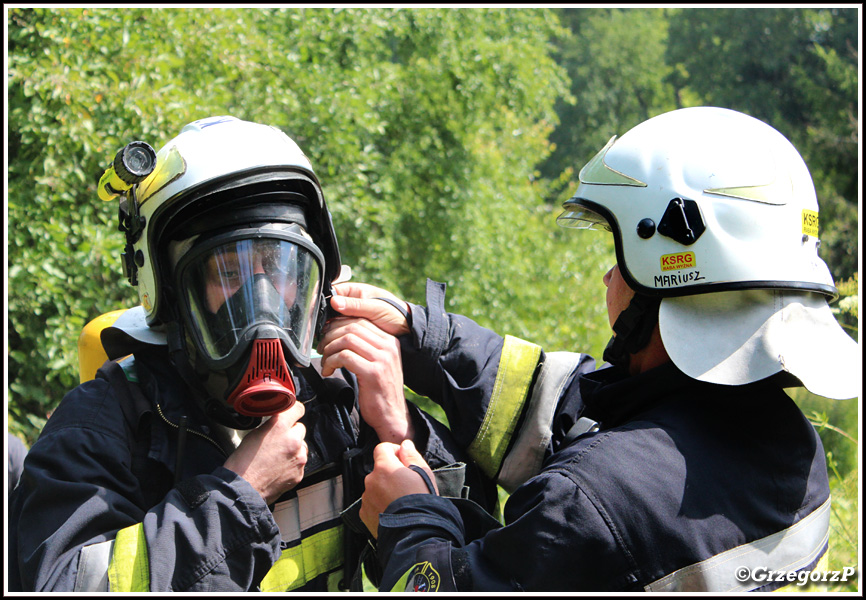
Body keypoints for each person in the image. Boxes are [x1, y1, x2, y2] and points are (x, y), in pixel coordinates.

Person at [317, 107, 861, 592]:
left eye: (619, 258)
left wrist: (410, 516)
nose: (607, 278)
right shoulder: (794, 447)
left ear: (665, 277)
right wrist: (420, 336)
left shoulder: (591, 503)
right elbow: (563, 399)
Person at [7, 116, 494, 592]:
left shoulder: (339, 399)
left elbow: (475, 559)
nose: (262, 302)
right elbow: (61, 583)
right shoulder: (100, 424)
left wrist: (397, 428)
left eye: (278, 268)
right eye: (229, 273)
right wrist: (241, 493)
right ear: (171, 293)